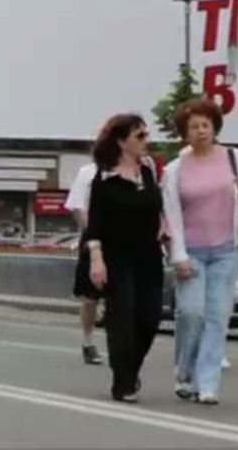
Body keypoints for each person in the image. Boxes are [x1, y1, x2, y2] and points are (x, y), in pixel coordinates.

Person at [162, 98, 238, 405]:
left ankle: (206, 383)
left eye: (205, 125)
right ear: (185, 133)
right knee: (191, 313)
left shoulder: (234, 157)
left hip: (227, 250)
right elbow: (172, 215)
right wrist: (179, 256)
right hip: (192, 251)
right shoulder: (175, 170)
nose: (200, 130)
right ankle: (184, 372)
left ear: (214, 128)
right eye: (193, 126)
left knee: (217, 317)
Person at [84, 113, 164, 403]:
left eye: (146, 134)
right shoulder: (104, 178)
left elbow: (158, 207)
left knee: (149, 318)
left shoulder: (148, 170)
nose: (146, 140)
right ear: (121, 141)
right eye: (139, 136)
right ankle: (123, 383)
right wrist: (97, 259)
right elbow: (94, 225)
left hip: (149, 257)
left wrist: (164, 226)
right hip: (117, 258)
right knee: (123, 320)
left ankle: (131, 370)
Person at [65, 161, 104, 365]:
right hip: (92, 239)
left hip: (122, 242)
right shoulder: (87, 173)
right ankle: (88, 343)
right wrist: (92, 233)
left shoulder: (131, 170)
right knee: (90, 298)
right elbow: (77, 208)